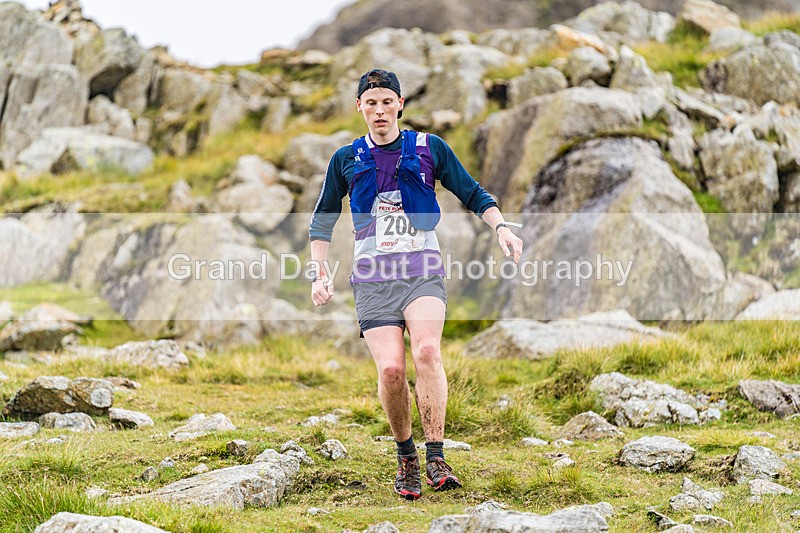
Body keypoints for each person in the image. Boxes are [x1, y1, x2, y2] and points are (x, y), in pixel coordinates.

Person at [308, 68, 522, 500]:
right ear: (360, 109)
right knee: (390, 369)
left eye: (388, 102)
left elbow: (473, 192)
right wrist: (319, 273)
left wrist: (502, 229)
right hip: (372, 276)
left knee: (426, 350)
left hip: (422, 268)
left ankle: (436, 455)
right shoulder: (345, 158)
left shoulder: (429, 148)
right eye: (372, 103)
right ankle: (406, 456)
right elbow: (322, 220)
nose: (380, 110)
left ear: (400, 104)